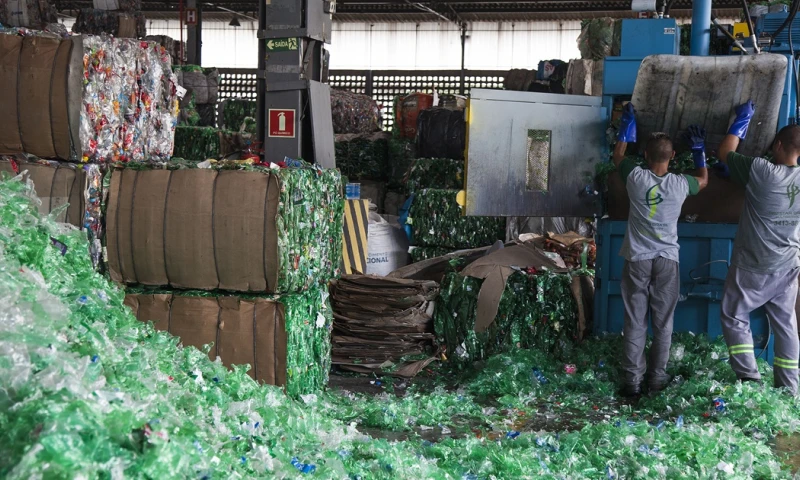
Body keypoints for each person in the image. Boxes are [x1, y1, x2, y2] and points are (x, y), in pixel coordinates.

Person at [613, 103, 709, 397]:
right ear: (673, 158)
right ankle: (657, 379)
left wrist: (626, 128)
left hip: (637, 259)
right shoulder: (681, 184)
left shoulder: (636, 177)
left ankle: (632, 382)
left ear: (644, 156)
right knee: (663, 322)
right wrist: (700, 152)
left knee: (635, 321)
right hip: (668, 260)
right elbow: (704, 180)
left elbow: (618, 156)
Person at [719, 100, 800, 395]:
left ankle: (749, 377)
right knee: (786, 324)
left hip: (753, 264)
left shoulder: (762, 171)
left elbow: (726, 152)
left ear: (777, 144)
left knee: (732, 313)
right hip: (788, 265)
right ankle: (789, 389)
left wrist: (741, 120)